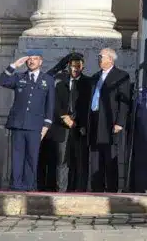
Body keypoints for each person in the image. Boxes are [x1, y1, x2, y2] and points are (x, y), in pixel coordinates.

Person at [0, 52, 54, 191]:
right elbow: (1, 81)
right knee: (17, 156)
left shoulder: (48, 79)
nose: (31, 61)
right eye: (29, 59)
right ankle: (16, 185)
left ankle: (29, 185)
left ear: (41, 61)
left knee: (31, 157)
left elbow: (50, 104)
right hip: (18, 123)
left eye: (35, 59)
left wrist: (46, 125)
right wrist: (14, 65)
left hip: (35, 125)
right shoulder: (19, 77)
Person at [85, 49, 133, 193]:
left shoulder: (121, 76)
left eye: (101, 56)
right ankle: (96, 187)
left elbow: (124, 102)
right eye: (98, 56)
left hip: (110, 121)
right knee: (95, 156)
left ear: (111, 59)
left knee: (110, 155)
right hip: (94, 119)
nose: (99, 59)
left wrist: (120, 122)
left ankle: (111, 188)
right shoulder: (95, 76)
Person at [44, 53, 87, 191]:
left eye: (78, 66)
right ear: (68, 67)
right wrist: (64, 117)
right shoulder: (60, 83)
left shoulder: (88, 83)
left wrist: (76, 121)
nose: (75, 69)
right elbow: (55, 104)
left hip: (79, 127)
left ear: (82, 66)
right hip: (62, 127)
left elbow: (88, 105)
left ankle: (78, 190)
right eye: (73, 66)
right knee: (61, 161)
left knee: (78, 161)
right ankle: (61, 190)